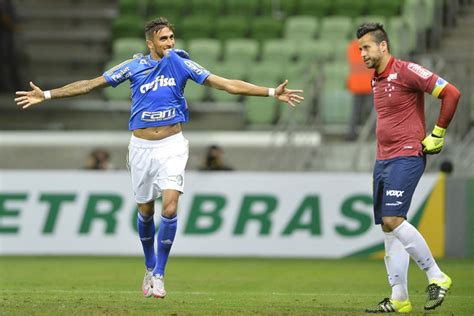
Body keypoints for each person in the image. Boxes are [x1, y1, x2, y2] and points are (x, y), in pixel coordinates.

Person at [14, 17, 304, 299]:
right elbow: (91, 84)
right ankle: (149, 265)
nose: (169, 42)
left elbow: (225, 83)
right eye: (163, 38)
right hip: (141, 148)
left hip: (172, 145)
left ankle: (160, 273)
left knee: (169, 207)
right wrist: (48, 95)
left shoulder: (180, 62)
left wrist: (269, 92)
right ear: (150, 41)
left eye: (171, 37)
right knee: (145, 212)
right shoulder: (133, 66)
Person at [354, 23, 461, 313]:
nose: (362, 53)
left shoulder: (407, 71)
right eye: (360, 48)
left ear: (383, 46)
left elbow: (451, 93)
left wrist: (438, 133)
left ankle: (437, 276)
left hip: (406, 155)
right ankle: (399, 296)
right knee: (389, 229)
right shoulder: (376, 79)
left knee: (393, 218)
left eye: (366, 47)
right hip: (383, 159)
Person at [346, 38, 373, 141]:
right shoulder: (371, 47)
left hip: (357, 85)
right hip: (368, 85)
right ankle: (374, 134)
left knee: (356, 112)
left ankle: (352, 134)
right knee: (372, 112)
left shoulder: (352, 47)